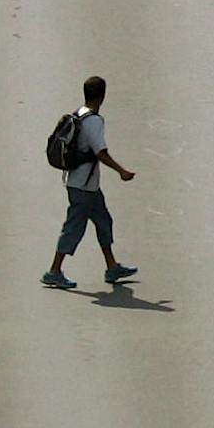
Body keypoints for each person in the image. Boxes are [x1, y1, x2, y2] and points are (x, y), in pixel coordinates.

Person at [42, 74, 138, 290]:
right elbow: (100, 152)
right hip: (83, 186)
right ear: (102, 96)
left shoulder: (80, 113)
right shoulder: (93, 121)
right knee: (74, 227)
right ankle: (54, 271)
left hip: (86, 185)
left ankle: (112, 266)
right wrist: (121, 171)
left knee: (103, 220)